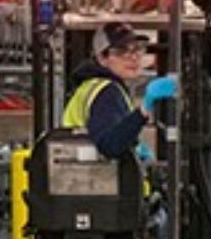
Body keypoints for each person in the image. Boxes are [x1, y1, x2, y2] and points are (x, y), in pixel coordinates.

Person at [62, 21, 178, 160]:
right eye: (121, 51)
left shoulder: (92, 86)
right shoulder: (107, 92)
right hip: (96, 173)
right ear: (102, 58)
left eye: (137, 49)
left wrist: (134, 146)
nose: (133, 57)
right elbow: (109, 145)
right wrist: (143, 109)